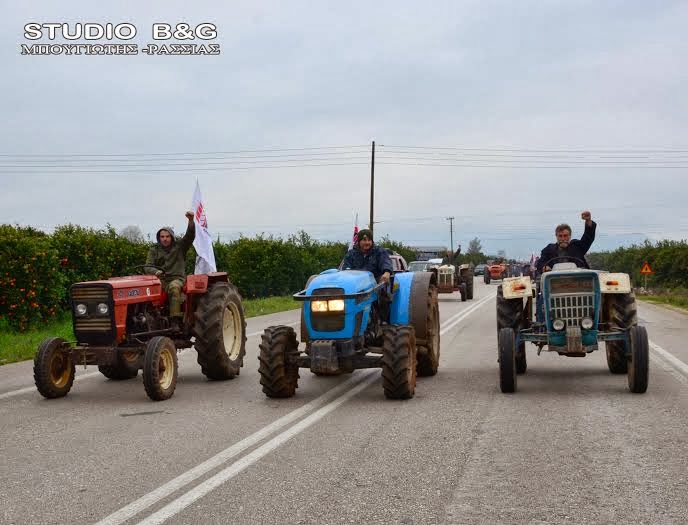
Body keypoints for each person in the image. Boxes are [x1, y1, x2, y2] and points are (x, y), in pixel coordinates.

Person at [145, 211, 196, 323]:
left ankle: (175, 320)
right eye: (162, 236)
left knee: (174, 287)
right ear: (159, 238)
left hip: (176, 279)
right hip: (160, 280)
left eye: (167, 236)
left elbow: (190, 236)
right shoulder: (154, 249)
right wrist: (156, 271)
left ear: (172, 237)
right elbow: (147, 267)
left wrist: (191, 221)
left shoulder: (180, 247)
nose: (165, 239)